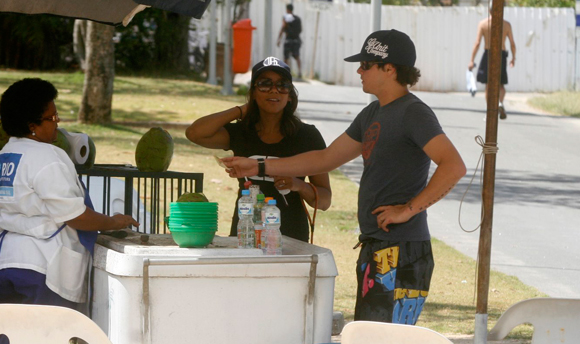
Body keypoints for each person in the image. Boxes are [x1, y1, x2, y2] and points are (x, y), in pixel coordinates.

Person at [222, 30, 466, 324]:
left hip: (402, 250)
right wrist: (259, 167)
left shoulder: (413, 112)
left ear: (389, 69)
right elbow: (325, 158)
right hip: (376, 245)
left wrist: (408, 210)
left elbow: (453, 166)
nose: (359, 70)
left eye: (366, 64)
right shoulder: (372, 112)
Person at [0, 78, 138, 344]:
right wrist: (114, 222)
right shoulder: (48, 158)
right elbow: (76, 216)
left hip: (4, 265)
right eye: (52, 118)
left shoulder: (3, 158)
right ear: (33, 126)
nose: (57, 125)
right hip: (42, 269)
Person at [185, 56, 331, 242]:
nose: (274, 90)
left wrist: (298, 185)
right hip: (245, 235)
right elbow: (195, 133)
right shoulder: (241, 131)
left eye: (282, 85)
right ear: (253, 91)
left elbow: (325, 201)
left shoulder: (307, 136)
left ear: (290, 94)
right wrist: (242, 110)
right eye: (265, 84)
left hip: (291, 239)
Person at [468, 12, 516, 119]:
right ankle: (499, 103)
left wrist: (472, 60)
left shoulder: (483, 23)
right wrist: (513, 58)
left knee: (488, 85)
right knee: (501, 84)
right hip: (501, 54)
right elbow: (512, 43)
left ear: (489, 10)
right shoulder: (506, 24)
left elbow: (477, 43)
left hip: (488, 54)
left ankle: (490, 110)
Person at [276, 4, 302, 78]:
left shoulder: (286, 18)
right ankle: (299, 72)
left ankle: (285, 72)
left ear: (287, 10)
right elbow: (300, 30)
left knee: (286, 57)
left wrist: (279, 39)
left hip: (288, 40)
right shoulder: (297, 19)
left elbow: (283, 28)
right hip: (296, 40)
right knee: (297, 56)